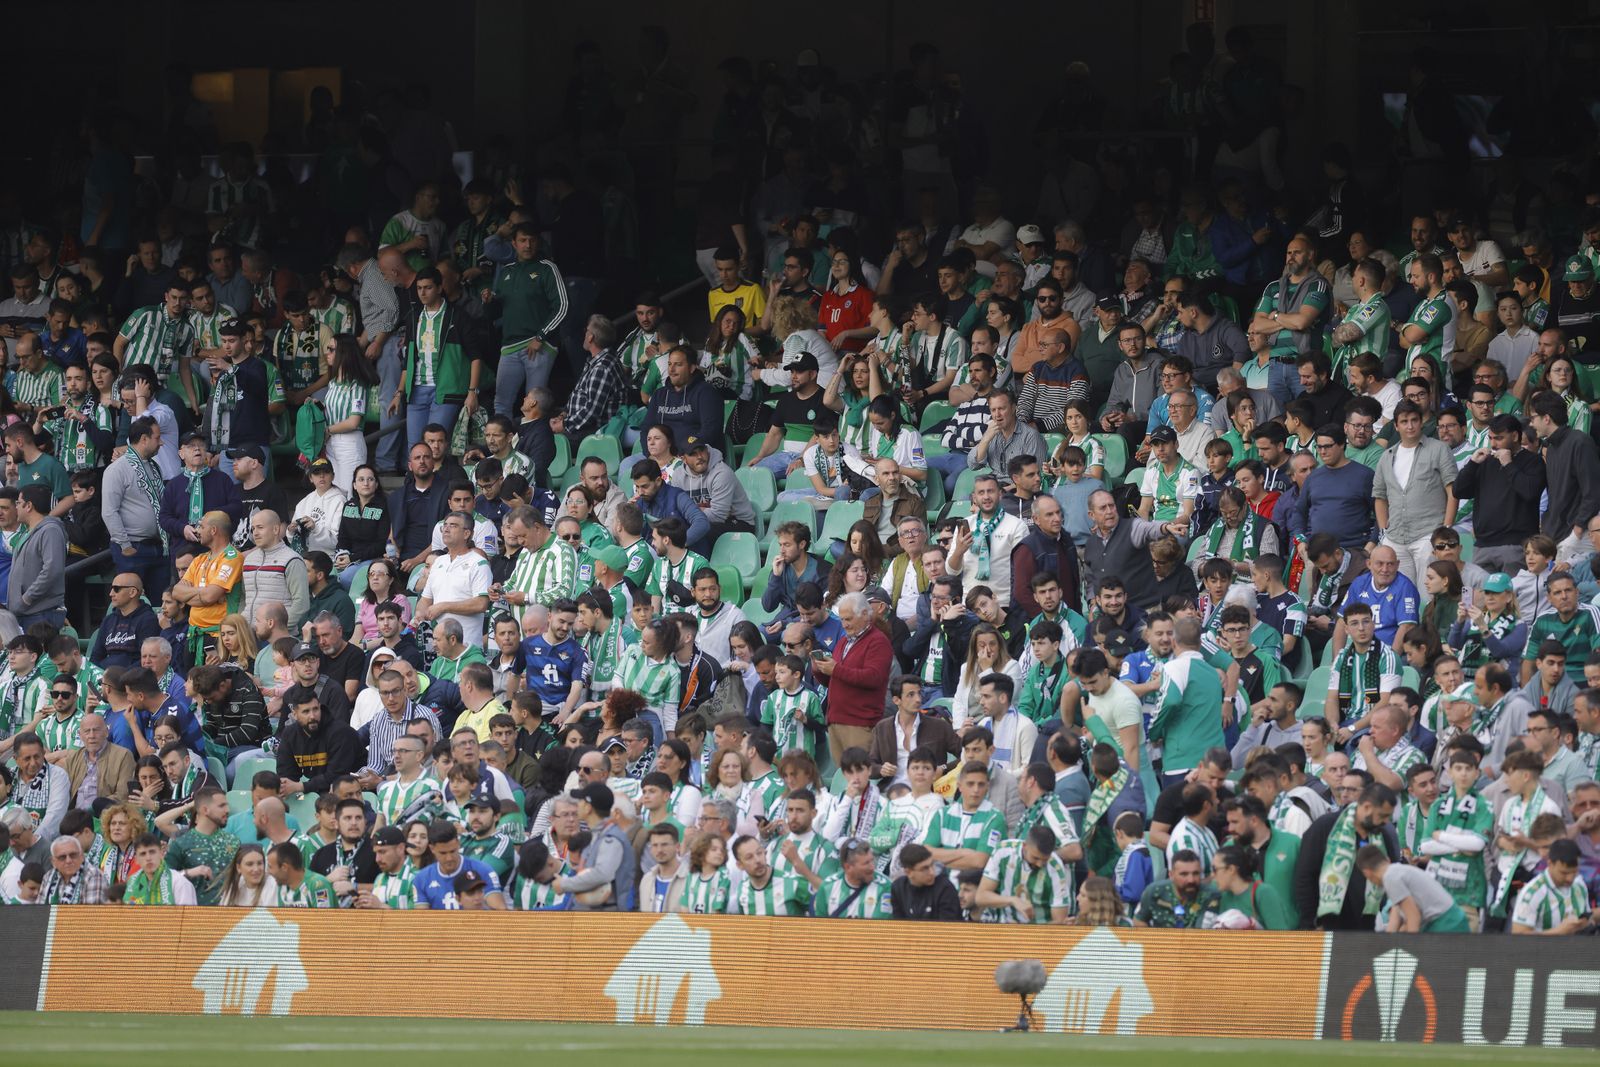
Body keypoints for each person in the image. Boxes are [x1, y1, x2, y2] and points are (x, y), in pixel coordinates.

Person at [1294, 781, 1400, 930]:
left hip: (1367, 925)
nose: (1386, 821)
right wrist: (1311, 923)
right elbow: (1304, 877)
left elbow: (1392, 876)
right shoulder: (1325, 827)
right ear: (1367, 807)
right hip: (1327, 923)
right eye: (1382, 815)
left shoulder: (1382, 834)